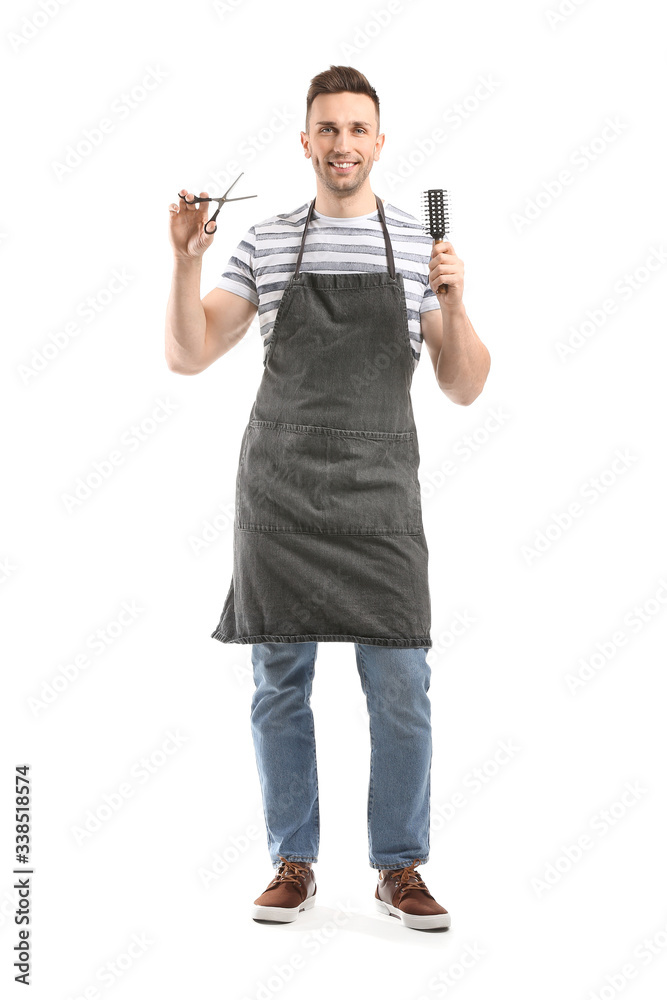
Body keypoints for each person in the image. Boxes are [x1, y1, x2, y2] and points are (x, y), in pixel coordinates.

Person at [165, 65, 490, 931]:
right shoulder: (265, 243)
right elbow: (190, 353)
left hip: (381, 497)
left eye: (357, 130)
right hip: (280, 494)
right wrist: (184, 262)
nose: (342, 144)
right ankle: (294, 860)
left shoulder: (424, 251)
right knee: (278, 683)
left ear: (378, 143)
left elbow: (463, 386)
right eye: (327, 129)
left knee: (399, 686)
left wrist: (455, 307)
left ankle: (400, 868)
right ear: (304, 141)